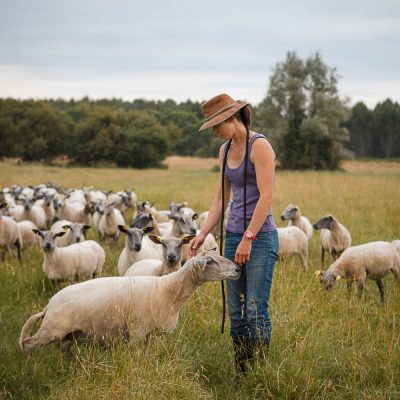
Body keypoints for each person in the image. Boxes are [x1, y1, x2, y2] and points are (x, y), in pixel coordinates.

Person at [188, 93, 278, 381]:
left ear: (231, 118)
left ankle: (260, 374)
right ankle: (242, 372)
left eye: (217, 125)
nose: (215, 132)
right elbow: (221, 198)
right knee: (237, 312)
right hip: (233, 235)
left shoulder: (260, 146)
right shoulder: (225, 151)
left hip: (260, 238)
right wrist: (202, 233)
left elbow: (267, 197)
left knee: (254, 307)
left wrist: (249, 237)